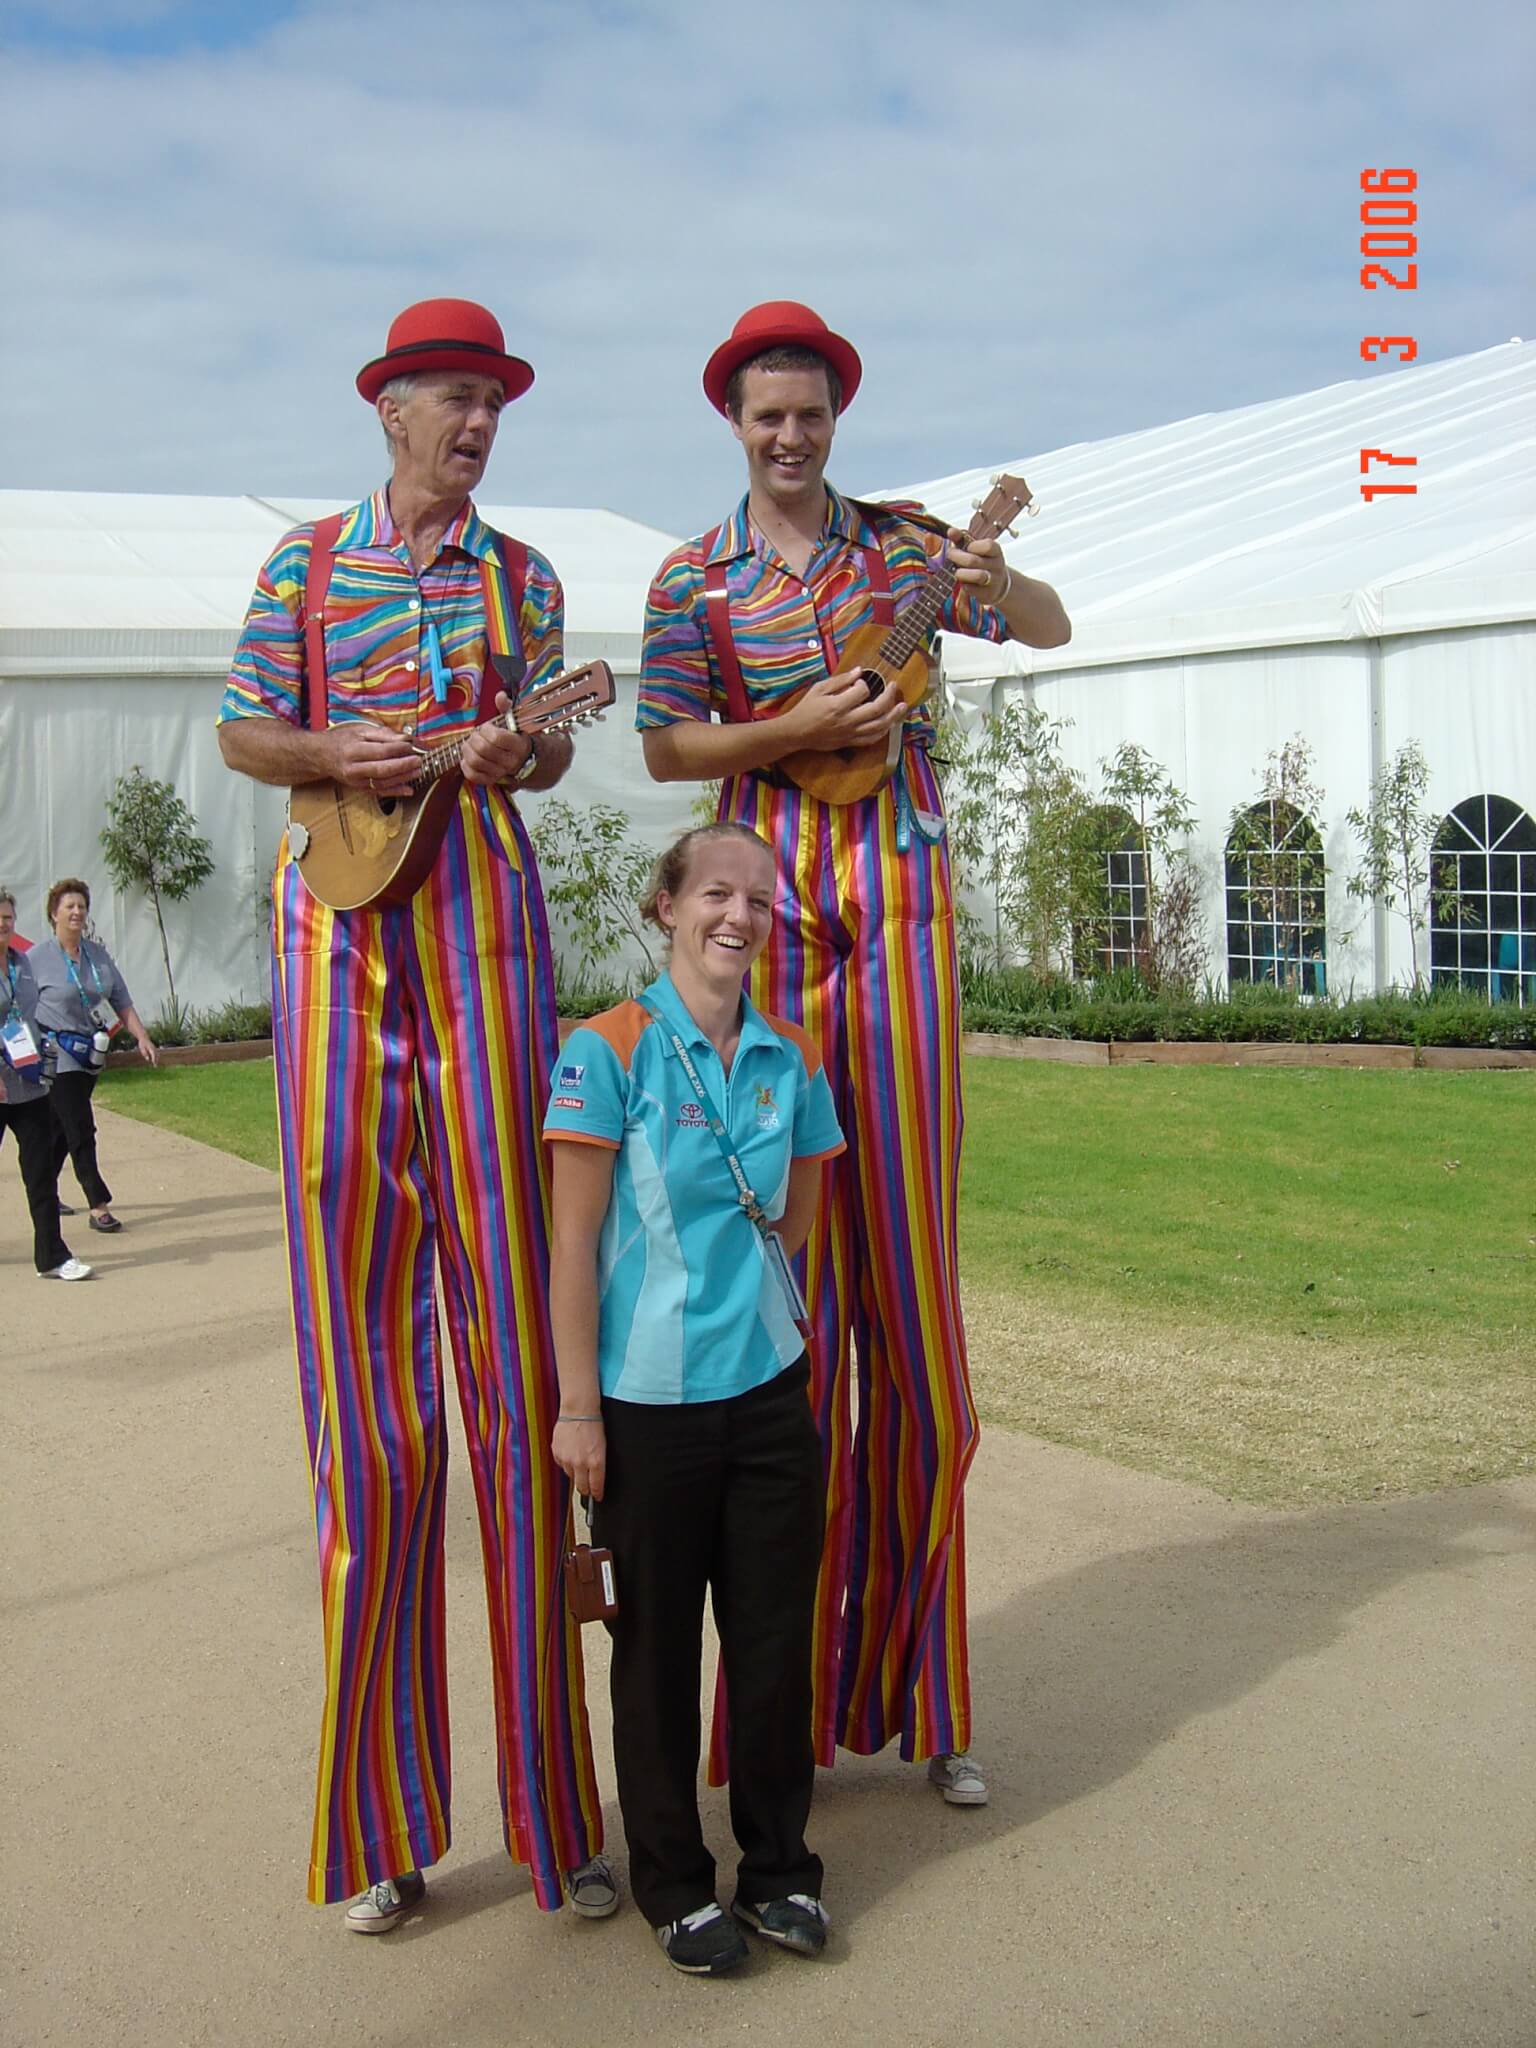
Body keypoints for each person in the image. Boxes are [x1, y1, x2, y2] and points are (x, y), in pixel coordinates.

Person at [637, 302, 1072, 1805]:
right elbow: (662, 746)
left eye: (810, 411)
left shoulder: (902, 548)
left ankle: (932, 1695)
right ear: (735, 422)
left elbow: (1048, 625)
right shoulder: (691, 578)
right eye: (767, 412)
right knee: (786, 1335)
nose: (789, 432)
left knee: (921, 1347)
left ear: (837, 418)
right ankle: (781, 1719)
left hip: (903, 933)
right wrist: (787, 722)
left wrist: (994, 577)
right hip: (770, 943)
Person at [216, 297, 609, 1931]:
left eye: (493, 403)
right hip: (337, 964)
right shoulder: (304, 569)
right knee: (364, 1413)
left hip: (482, 959)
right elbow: (244, 728)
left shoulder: (523, 583)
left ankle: (555, 1815)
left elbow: (542, 771)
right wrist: (335, 742)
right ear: (388, 405)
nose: (477, 422)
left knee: (517, 1383)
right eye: (455, 398)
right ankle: (383, 1826)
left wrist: (515, 749)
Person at [546, 822, 845, 1975]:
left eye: (759, 901)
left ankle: (778, 1870)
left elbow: (800, 1222)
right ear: (665, 904)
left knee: (772, 1651)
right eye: (716, 892)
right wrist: (579, 1408)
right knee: (658, 1657)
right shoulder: (606, 1047)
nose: (739, 916)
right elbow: (574, 1245)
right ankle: (674, 1882)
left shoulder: (792, 1057)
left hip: (770, 1396)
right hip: (643, 1410)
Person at [30, 878, 159, 1235]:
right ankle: (98, 1204)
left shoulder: (96, 954)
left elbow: (120, 999)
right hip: (56, 1058)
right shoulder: (37, 959)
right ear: (54, 914)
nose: (76, 912)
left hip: (89, 1055)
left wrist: (142, 1037)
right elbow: (17, 1004)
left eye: (81, 906)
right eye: (69, 906)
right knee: (81, 1127)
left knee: (59, 1130)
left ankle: (44, 1189)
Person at [2, 890, 91, 1281]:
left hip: (28, 1084)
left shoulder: (21, 963)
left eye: (8, 917)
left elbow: (29, 1017)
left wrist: (45, 1050)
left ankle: (52, 1256)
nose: (4, 924)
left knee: (40, 1172)